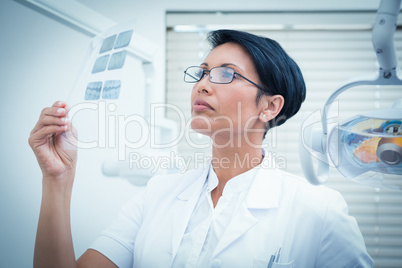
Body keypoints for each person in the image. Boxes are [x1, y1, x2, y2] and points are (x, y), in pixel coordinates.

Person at [29, 29, 374, 268]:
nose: (204, 85)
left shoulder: (318, 210)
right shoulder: (157, 195)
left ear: (269, 107)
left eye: (227, 74)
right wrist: (57, 179)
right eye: (203, 73)